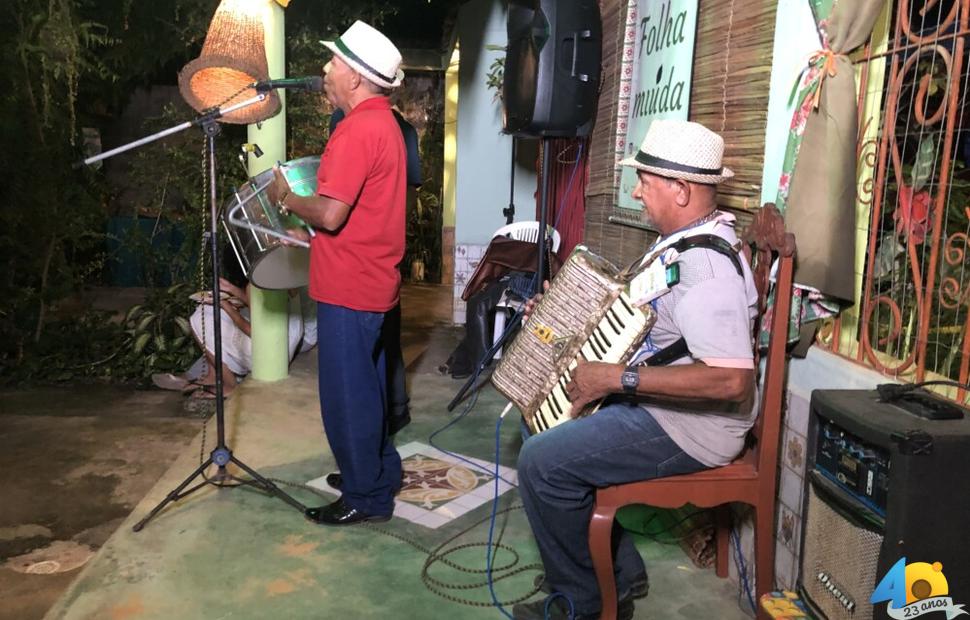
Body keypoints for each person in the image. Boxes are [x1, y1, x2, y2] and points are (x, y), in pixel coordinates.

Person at [512, 120, 760, 620]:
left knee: (541, 462)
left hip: (692, 427)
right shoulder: (685, 238)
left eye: (645, 180)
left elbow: (732, 381)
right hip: (661, 403)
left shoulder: (707, 273)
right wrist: (565, 316)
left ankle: (583, 602)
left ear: (682, 190)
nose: (637, 191)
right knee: (538, 416)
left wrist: (615, 379)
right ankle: (617, 572)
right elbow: (644, 313)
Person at [266, 20, 407, 526]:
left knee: (347, 398)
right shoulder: (384, 124)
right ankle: (376, 473)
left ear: (355, 76)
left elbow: (330, 214)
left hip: (350, 286)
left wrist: (287, 198)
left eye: (333, 62)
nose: (325, 69)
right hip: (371, 280)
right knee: (369, 388)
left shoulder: (357, 130)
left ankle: (366, 499)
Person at [328, 104, 420, 438]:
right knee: (377, 345)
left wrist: (387, 225)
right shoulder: (345, 120)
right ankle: (379, 434)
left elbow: (407, 191)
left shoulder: (389, 128)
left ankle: (393, 413)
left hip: (365, 260)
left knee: (379, 343)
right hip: (358, 255)